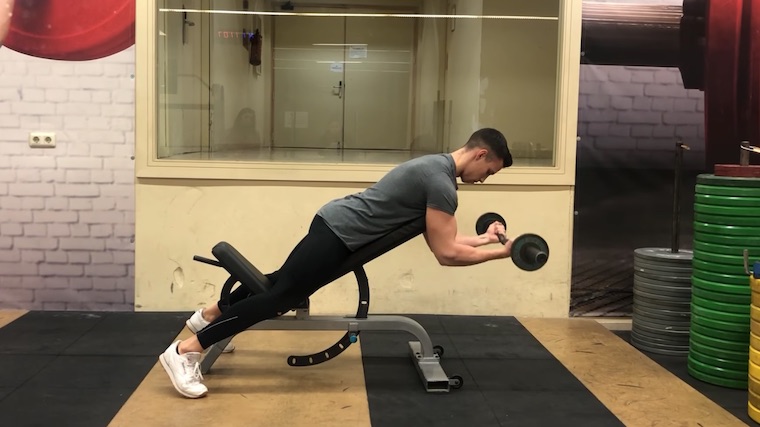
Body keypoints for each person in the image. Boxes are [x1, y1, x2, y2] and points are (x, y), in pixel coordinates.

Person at [159, 127, 514, 398]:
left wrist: (484, 239)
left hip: (338, 227)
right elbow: (446, 254)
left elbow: (444, 238)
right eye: (490, 171)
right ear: (481, 154)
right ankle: (185, 351)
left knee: (280, 284)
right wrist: (502, 253)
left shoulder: (436, 170)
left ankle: (207, 315)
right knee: (279, 298)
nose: (485, 179)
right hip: (340, 232)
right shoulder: (442, 184)